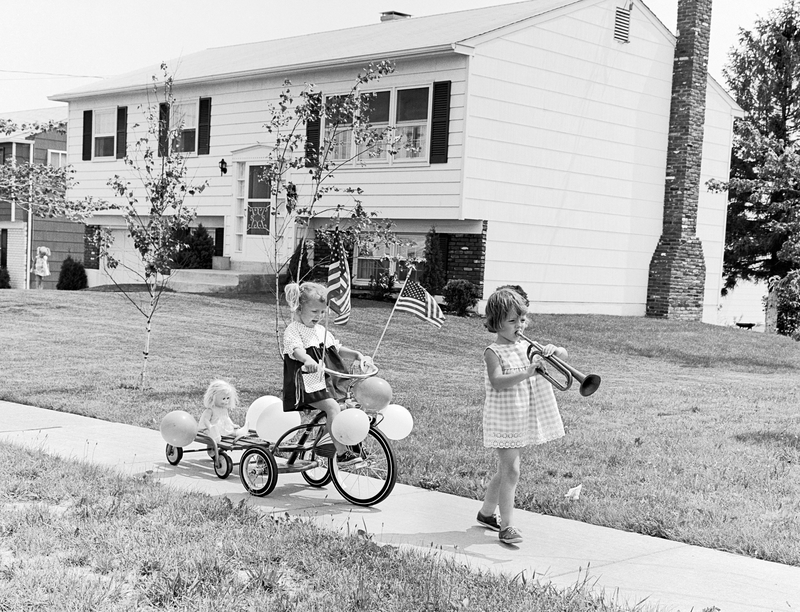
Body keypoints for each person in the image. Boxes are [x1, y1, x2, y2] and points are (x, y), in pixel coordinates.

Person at [477, 287, 566, 545]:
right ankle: (507, 527)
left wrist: (555, 351)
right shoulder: (492, 352)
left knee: (504, 471)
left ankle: (485, 513)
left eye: (522, 319)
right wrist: (527, 373)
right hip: (503, 417)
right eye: (512, 321)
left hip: (521, 415)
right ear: (496, 323)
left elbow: (564, 357)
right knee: (512, 471)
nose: (520, 325)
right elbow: (497, 382)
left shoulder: (526, 345)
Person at [282, 281, 372, 467]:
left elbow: (336, 348)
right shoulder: (293, 330)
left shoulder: (321, 331)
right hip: (307, 385)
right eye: (314, 312)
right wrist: (307, 360)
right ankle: (341, 454)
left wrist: (355, 354)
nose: (319, 316)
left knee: (348, 407)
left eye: (322, 312)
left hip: (326, 382)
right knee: (332, 408)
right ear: (299, 308)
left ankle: (341, 442)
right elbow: (296, 350)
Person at [199, 379, 243, 443]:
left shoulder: (224, 409)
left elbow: (227, 418)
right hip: (210, 428)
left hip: (221, 428)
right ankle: (213, 443)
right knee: (211, 433)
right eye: (223, 399)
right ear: (213, 398)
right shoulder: (210, 410)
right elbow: (205, 420)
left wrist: (233, 425)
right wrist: (210, 427)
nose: (226, 401)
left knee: (231, 431)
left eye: (228, 398)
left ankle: (239, 432)